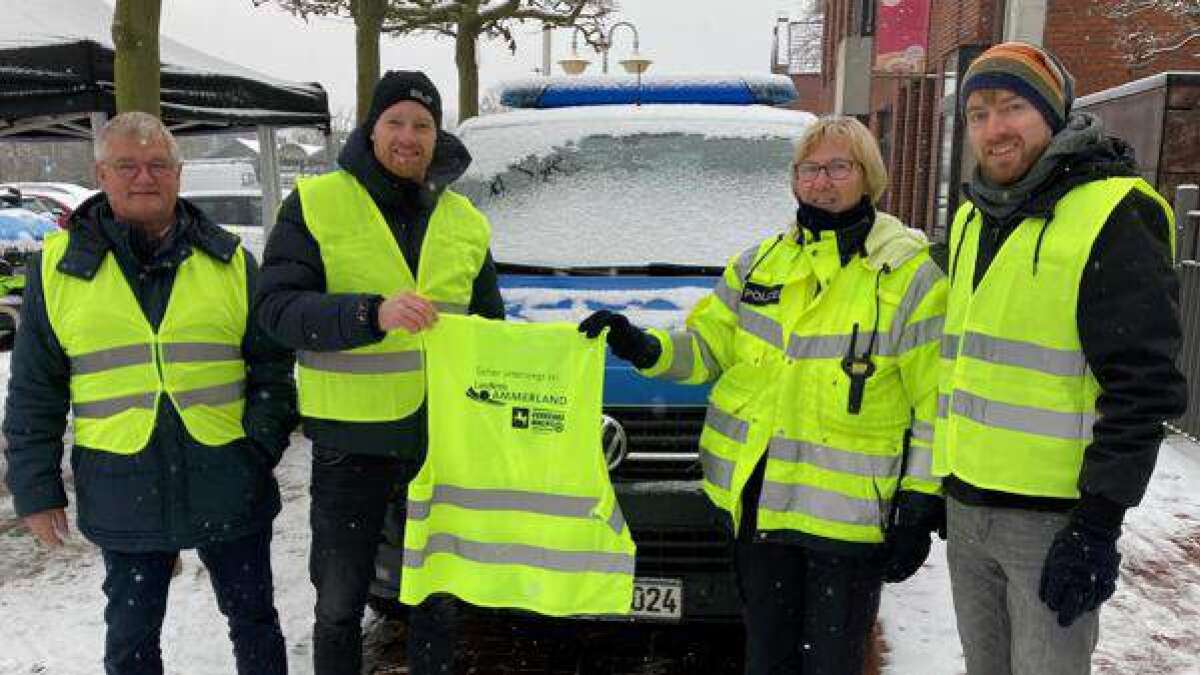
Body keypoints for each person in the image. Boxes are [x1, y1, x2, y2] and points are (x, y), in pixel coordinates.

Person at [580, 116, 947, 674]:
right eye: (810, 168)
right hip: (760, 511)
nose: (822, 181)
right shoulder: (758, 265)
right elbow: (706, 350)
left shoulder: (910, 277)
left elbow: (934, 403)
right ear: (795, 180)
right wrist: (643, 346)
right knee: (767, 661)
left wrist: (920, 501)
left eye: (838, 167)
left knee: (831, 665)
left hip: (847, 523)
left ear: (868, 176)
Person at [3, 111, 296, 675]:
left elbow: (273, 370)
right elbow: (34, 392)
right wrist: (36, 490)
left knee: (255, 622)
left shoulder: (231, 261)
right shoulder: (57, 271)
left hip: (227, 478)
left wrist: (256, 449)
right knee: (132, 640)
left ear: (178, 173)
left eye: (158, 164)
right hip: (121, 481)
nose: (145, 177)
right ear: (101, 174)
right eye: (127, 165)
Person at [935, 41, 1188, 674]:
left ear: (1053, 113)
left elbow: (1143, 387)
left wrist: (1097, 525)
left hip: (1053, 526)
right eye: (978, 114)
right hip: (968, 512)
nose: (994, 130)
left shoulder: (1114, 214)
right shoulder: (973, 218)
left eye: (1012, 108)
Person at [255, 70, 504, 675]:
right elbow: (276, 309)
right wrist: (370, 313)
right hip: (351, 440)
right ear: (371, 129)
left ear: (436, 135)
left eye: (422, 124)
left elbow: (491, 326)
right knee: (340, 602)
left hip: (439, 442)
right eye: (395, 121)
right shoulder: (316, 202)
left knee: (438, 596)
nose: (409, 136)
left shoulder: (466, 219)